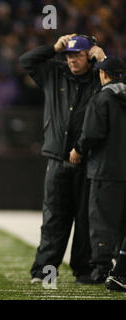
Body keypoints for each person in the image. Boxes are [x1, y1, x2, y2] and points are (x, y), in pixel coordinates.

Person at [18, 34, 106, 283]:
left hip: (89, 160)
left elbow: (120, 90)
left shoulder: (100, 77)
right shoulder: (54, 72)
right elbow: (26, 61)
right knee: (54, 218)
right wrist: (53, 48)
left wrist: (104, 60)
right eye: (68, 55)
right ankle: (45, 270)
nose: (71, 60)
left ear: (90, 55)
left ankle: (85, 270)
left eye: (77, 55)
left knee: (86, 219)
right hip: (57, 159)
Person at [69, 57, 126, 284]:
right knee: (123, 223)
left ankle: (101, 269)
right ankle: (121, 269)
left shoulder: (101, 99)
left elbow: (92, 133)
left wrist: (78, 149)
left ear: (103, 74)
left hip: (104, 171)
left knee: (102, 221)